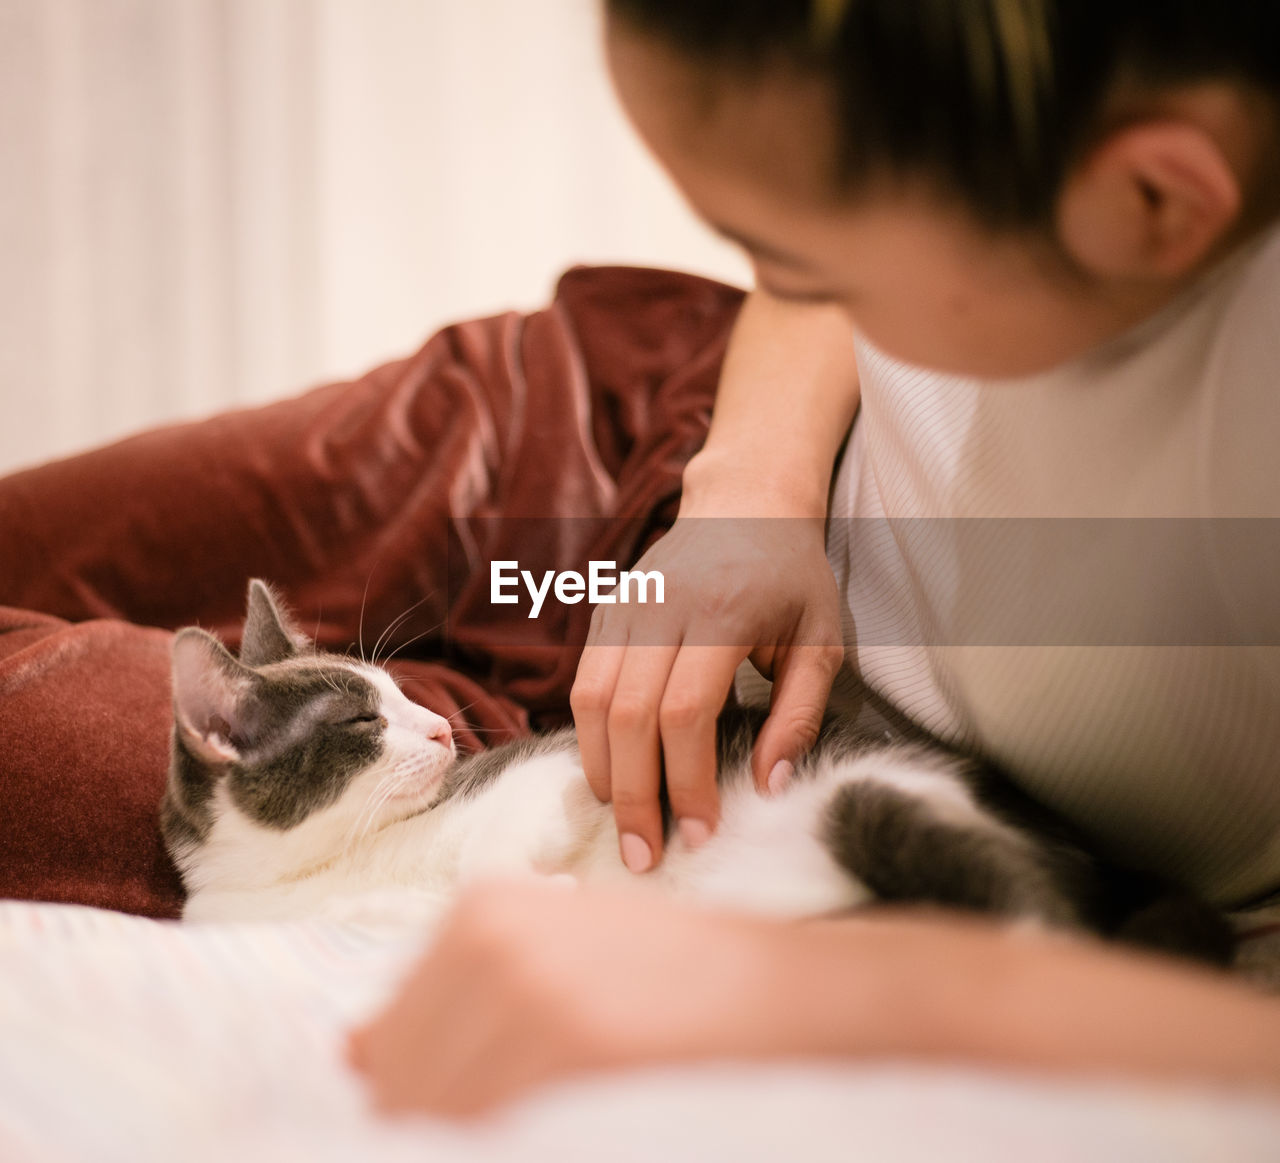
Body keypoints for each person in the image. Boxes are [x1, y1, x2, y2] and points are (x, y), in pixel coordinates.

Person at [348, 0, 1280, 1115]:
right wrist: (747, 490)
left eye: (805, 264)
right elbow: (802, 296)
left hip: (805, 805)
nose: (777, 285)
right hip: (624, 452)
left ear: (1151, 201)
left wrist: (845, 979)